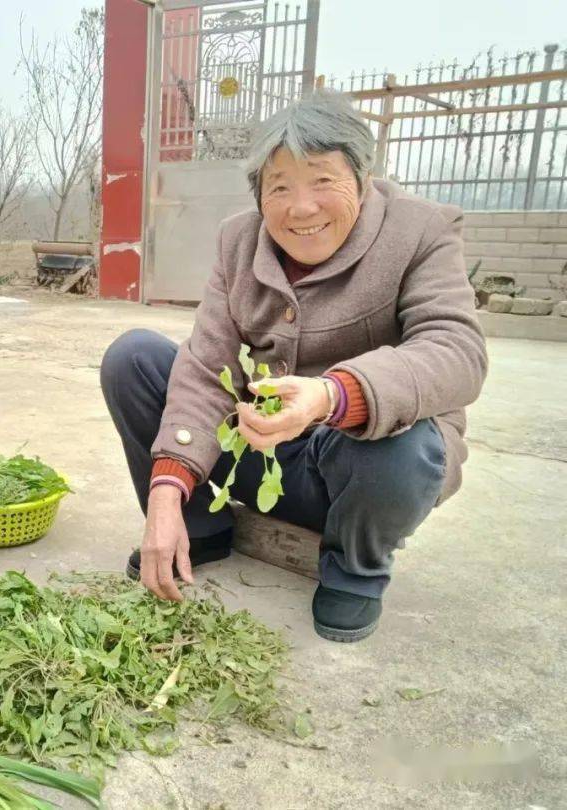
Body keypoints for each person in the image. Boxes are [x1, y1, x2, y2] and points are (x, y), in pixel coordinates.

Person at [100, 90, 487, 642]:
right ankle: (200, 526)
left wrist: (335, 395)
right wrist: (165, 491)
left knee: (410, 437)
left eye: (323, 180)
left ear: (363, 175)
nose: (300, 208)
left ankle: (355, 566)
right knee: (134, 358)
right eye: (278, 186)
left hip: (355, 469)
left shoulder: (421, 231)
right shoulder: (239, 240)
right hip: (255, 452)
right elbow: (207, 365)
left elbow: (457, 351)